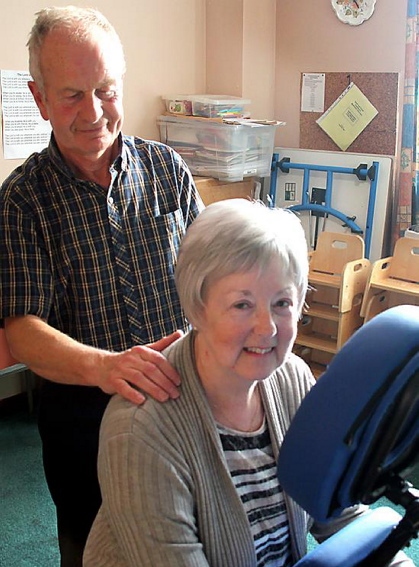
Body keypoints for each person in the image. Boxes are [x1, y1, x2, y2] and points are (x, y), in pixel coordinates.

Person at [83, 198, 414, 566]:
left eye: (282, 303)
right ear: (198, 307)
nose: (267, 328)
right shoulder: (141, 428)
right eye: (242, 304)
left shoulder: (293, 378)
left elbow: (333, 506)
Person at [0, 6, 203, 567]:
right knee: (93, 548)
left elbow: (208, 274)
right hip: (81, 423)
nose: (93, 113)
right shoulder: (23, 201)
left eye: (106, 91)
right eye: (71, 95)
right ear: (39, 98)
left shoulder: (168, 169)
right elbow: (22, 329)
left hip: (182, 401)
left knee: (185, 538)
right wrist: (106, 367)